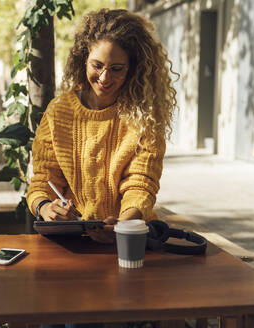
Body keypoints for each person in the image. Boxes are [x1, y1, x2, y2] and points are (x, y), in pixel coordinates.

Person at [26, 8, 177, 245]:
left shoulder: (144, 116)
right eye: (97, 65)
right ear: (82, 59)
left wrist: (123, 224)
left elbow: (141, 185)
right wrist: (45, 207)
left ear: (133, 68)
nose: (105, 78)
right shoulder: (59, 111)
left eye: (117, 69)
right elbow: (43, 180)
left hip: (127, 240)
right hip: (71, 243)